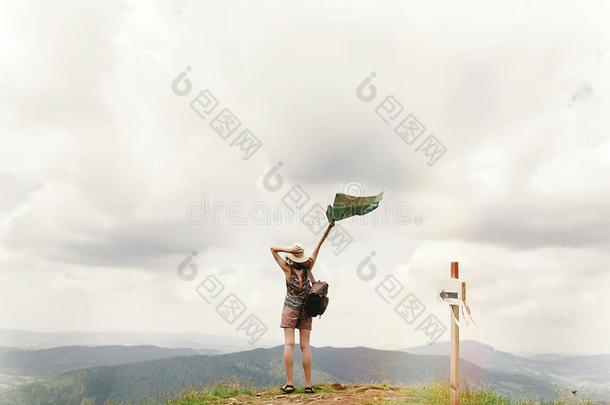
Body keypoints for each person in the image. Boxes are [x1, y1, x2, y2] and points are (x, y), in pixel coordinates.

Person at [270, 219, 335, 394]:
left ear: (292, 256)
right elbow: (318, 245)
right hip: (306, 310)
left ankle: (289, 384)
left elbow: (272, 249)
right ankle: (308, 385)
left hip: (290, 308)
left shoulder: (287, 269)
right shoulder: (309, 267)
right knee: (305, 346)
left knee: (289, 344)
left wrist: (289, 250)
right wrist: (328, 228)